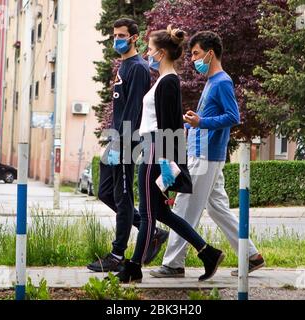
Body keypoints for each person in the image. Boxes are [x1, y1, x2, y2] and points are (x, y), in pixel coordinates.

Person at [113, 26, 224, 283]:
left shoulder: (169, 81)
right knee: (160, 214)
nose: (147, 54)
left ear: (161, 53)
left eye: (150, 50)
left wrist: (164, 162)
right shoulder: (164, 81)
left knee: (149, 213)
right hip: (153, 149)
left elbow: (165, 125)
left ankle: (133, 267)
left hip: (156, 152)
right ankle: (207, 253)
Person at [150, 31, 265, 279]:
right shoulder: (212, 82)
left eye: (196, 53)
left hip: (205, 156)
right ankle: (251, 256)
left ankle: (173, 263)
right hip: (205, 153)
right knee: (218, 209)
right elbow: (208, 120)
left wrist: (201, 122)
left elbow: (233, 116)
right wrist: (192, 124)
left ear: (210, 53)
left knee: (185, 207)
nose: (192, 59)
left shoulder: (222, 81)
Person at [87, 18, 169, 273]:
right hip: (115, 138)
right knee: (105, 192)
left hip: (126, 141)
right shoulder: (124, 66)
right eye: (115, 35)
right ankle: (153, 232)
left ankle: (117, 254)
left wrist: (123, 144)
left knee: (123, 198)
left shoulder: (139, 68)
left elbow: (135, 111)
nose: (117, 40)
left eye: (121, 35)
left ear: (134, 37)